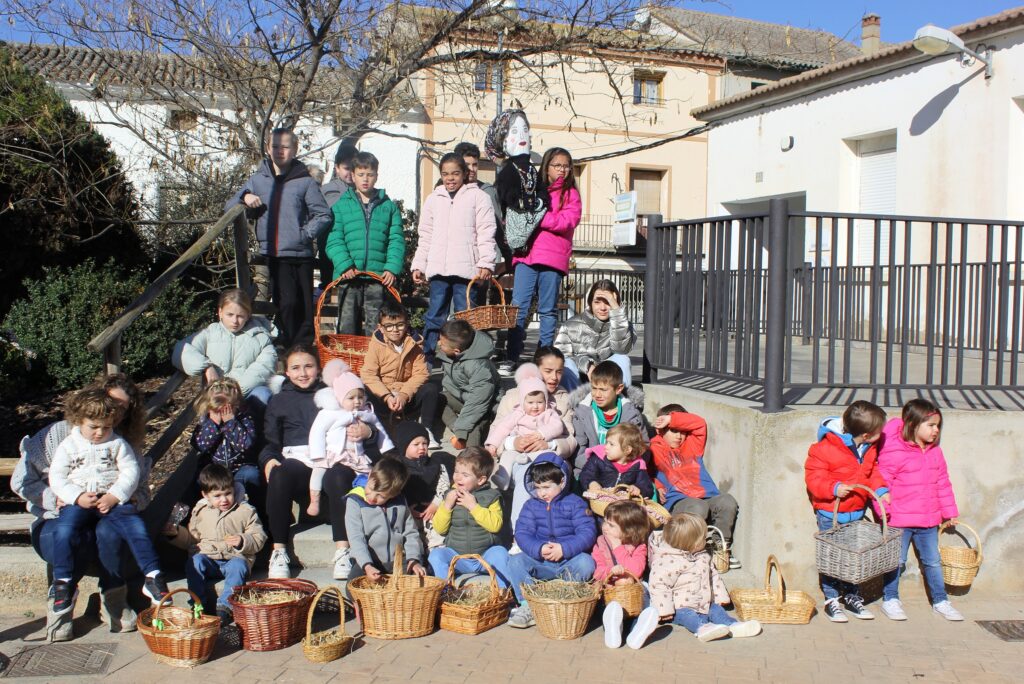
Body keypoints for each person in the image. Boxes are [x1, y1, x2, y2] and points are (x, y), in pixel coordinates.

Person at [13, 373, 147, 640]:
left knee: (111, 534)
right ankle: (61, 608)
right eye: (111, 403)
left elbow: (141, 490)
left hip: (106, 513)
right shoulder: (56, 436)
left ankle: (113, 599)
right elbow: (22, 481)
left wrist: (127, 497)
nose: (115, 413)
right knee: (64, 536)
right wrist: (56, 497)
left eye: (123, 408)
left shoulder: (122, 443)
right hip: (61, 514)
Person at [47, 388, 170, 618]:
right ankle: (63, 582)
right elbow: (57, 477)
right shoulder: (68, 445)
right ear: (79, 421)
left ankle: (153, 576)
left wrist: (115, 495)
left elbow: (130, 472)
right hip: (80, 500)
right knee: (64, 531)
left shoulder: (117, 444)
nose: (100, 432)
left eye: (106, 427)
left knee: (136, 529)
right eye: (93, 427)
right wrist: (76, 496)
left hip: (111, 499)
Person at [260, 344, 376, 580]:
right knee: (280, 474)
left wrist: (368, 432)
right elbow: (270, 440)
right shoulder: (280, 400)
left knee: (339, 476)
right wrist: (269, 459)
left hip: (336, 455)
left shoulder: (335, 392)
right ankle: (279, 550)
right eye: (296, 368)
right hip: (299, 457)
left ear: (318, 368)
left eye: (308, 366)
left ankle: (343, 550)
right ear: (287, 372)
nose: (303, 373)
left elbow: (365, 415)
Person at [226, 128, 332, 347]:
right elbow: (229, 206)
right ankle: (287, 344)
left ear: (294, 150)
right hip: (273, 254)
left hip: (301, 253)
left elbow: (323, 214)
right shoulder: (258, 180)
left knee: (302, 303)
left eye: (285, 146)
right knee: (285, 301)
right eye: (275, 146)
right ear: (267, 148)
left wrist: (304, 234)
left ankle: (302, 348)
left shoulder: (304, 181)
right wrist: (245, 197)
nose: (279, 151)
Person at [878, 399, 963, 622]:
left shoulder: (936, 452)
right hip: (899, 520)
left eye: (938, 426)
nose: (936, 431)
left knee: (933, 561)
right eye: (931, 425)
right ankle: (890, 599)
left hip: (928, 521)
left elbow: (943, 482)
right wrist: (884, 513)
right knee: (895, 561)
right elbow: (882, 483)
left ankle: (940, 600)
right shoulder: (894, 449)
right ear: (913, 424)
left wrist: (949, 511)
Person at [804, 400, 888, 623]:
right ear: (867, 435)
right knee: (832, 556)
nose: (883, 434)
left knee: (853, 557)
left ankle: (852, 596)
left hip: (857, 513)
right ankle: (831, 599)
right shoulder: (823, 448)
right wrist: (834, 488)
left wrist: (880, 491)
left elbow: (872, 472)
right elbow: (814, 478)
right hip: (831, 513)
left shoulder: (869, 448)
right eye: (880, 431)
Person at [501, 147, 581, 376]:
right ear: (546, 166)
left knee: (547, 311)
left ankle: (543, 358)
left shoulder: (571, 194)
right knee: (519, 307)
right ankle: (511, 356)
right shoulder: (533, 188)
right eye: (557, 165)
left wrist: (540, 216)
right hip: (527, 255)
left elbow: (568, 221)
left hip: (553, 258)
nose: (562, 170)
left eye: (566, 166)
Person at [411, 152, 497, 362]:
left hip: (467, 271)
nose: (450, 178)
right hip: (439, 269)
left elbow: (486, 231)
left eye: (455, 173)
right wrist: (419, 265)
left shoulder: (479, 197)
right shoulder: (433, 199)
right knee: (434, 315)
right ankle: (427, 357)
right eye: (445, 174)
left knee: (466, 316)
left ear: (465, 174)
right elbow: (426, 235)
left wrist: (486, 261)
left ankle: (468, 359)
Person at [165, 464, 267, 625]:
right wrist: (176, 534)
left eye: (228, 493)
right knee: (195, 562)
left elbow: (259, 536)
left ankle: (225, 608)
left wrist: (242, 540)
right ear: (206, 495)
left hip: (235, 557)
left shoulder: (245, 510)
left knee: (238, 567)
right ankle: (198, 604)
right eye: (217, 496)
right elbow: (193, 538)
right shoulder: (201, 511)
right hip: (209, 558)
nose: (224, 500)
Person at [505, 453, 597, 629]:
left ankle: (566, 596)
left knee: (586, 563)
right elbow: (523, 533)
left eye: (547, 487)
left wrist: (564, 548)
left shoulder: (575, 503)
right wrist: (538, 549)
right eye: (538, 487)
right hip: (541, 562)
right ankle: (528, 606)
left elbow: (587, 532)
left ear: (562, 482)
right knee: (515, 562)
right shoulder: (531, 506)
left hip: (568, 562)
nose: (541, 492)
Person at [493, 348, 577, 531]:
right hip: (517, 457)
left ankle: (523, 531)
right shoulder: (513, 397)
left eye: (559, 371)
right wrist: (512, 442)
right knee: (525, 470)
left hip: (551, 458)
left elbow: (570, 439)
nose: (554, 377)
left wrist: (550, 443)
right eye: (548, 371)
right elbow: (497, 431)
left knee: (534, 471)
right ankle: (521, 531)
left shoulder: (563, 399)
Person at [649, 403, 740, 569]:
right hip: (679, 501)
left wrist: (672, 419)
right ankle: (692, 552)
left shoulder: (692, 445)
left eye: (683, 431)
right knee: (698, 506)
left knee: (727, 501)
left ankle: (720, 548)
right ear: (660, 430)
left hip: (706, 495)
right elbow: (646, 471)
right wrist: (656, 485)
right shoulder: (654, 449)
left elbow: (699, 424)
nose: (679, 436)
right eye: (673, 430)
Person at [324, 151, 405, 336]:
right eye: (361, 175)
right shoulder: (341, 206)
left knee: (375, 327)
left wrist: (392, 267)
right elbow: (334, 239)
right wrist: (344, 265)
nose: (365, 179)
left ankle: (373, 363)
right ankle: (347, 362)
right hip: (349, 277)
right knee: (346, 325)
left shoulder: (388, 207)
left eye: (370, 174)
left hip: (377, 277)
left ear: (376, 175)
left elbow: (396, 239)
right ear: (353, 176)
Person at [648, 512, 761, 642]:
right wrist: (664, 610)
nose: (705, 541)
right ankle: (701, 628)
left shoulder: (703, 556)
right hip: (680, 607)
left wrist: (720, 597)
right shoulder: (667, 561)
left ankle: (732, 625)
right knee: (688, 616)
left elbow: (713, 577)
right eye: (703, 538)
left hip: (705, 603)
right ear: (694, 544)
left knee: (717, 610)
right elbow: (659, 585)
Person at [307, 360, 393, 522]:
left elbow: (379, 429)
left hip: (356, 455)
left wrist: (386, 447)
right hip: (333, 453)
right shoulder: (330, 413)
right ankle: (315, 500)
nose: (357, 401)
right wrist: (318, 454)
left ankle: (369, 502)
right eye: (351, 397)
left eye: (360, 397)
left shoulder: (366, 412)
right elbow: (316, 432)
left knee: (367, 478)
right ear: (339, 398)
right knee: (317, 472)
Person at [172, 288, 277, 406]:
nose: (235, 321)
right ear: (220, 312)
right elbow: (180, 350)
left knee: (263, 394)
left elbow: (264, 367)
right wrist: (207, 367)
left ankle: (255, 424)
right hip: (216, 396)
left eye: (240, 316)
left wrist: (236, 391)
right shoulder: (210, 333)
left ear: (248, 315)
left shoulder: (260, 337)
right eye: (230, 315)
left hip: (245, 395)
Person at [427, 447, 511, 586]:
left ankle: (504, 594)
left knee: (500, 553)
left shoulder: (492, 497)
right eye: (456, 471)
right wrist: (447, 505)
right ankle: (445, 593)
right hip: (458, 558)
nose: (458, 477)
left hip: (485, 556)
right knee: (436, 555)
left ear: (480, 480)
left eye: (465, 475)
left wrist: (473, 506)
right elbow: (440, 529)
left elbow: (495, 525)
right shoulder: (450, 495)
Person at [360, 300, 440, 445]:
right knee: (365, 389)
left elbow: (421, 374)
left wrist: (404, 394)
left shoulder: (415, 344)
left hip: (407, 396)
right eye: (389, 326)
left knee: (431, 388)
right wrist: (386, 396)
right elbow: (369, 374)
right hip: (385, 396)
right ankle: (379, 426)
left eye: (400, 325)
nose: (395, 330)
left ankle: (426, 429)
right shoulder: (376, 345)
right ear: (381, 327)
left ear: (407, 324)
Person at [486, 363, 567, 491]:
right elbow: (502, 428)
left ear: (546, 401)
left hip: (539, 448)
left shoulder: (549, 413)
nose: (535, 406)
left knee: (547, 456)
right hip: (519, 448)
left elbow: (557, 426)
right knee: (507, 457)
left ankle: (531, 469)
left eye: (540, 402)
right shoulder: (517, 413)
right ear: (523, 402)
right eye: (530, 402)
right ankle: (503, 478)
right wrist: (493, 444)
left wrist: (542, 433)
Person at [344, 458, 426, 581]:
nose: (372, 497)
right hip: (370, 561)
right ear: (370, 474)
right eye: (371, 489)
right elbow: (356, 537)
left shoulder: (400, 502)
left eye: (381, 496)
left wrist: (413, 559)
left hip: (398, 560)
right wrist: (367, 565)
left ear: (393, 494)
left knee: (421, 578)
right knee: (352, 585)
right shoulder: (355, 501)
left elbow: (411, 533)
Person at [593, 500, 659, 650]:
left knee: (641, 604)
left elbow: (636, 569)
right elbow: (597, 569)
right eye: (605, 522)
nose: (605, 528)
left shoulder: (638, 546)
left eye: (611, 525)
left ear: (628, 530)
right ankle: (612, 629)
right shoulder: (601, 543)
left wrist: (618, 547)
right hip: (610, 591)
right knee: (610, 611)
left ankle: (638, 631)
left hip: (633, 595)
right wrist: (609, 574)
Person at [188, 378, 260, 506]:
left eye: (227, 408)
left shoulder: (245, 418)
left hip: (240, 467)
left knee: (252, 475)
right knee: (198, 481)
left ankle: (258, 512)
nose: (222, 413)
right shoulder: (206, 422)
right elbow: (200, 445)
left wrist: (231, 423)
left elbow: (245, 445)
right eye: (217, 410)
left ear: (235, 405)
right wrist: (213, 424)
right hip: (215, 470)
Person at [555, 279, 636, 390]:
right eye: (597, 302)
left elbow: (621, 349)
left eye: (607, 302)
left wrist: (616, 311)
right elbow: (560, 358)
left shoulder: (624, 325)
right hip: (579, 379)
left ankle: (621, 403)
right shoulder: (570, 325)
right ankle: (572, 404)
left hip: (608, 378)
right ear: (590, 303)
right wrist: (587, 365)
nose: (602, 308)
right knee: (567, 363)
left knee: (622, 359)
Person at [571, 360, 646, 476]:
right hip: (590, 470)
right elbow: (578, 451)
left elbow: (643, 447)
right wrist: (598, 466)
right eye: (594, 388)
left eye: (603, 390)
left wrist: (620, 466)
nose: (597, 394)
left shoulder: (631, 415)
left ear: (619, 389)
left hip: (623, 471)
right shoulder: (582, 412)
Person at [437, 319, 499, 449]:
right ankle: (460, 433)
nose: (438, 344)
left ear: (457, 351)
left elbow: (478, 402)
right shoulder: (448, 354)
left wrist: (462, 428)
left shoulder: (478, 366)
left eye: (442, 344)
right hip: (462, 397)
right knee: (437, 400)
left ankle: (473, 457)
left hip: (485, 405)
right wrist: (459, 428)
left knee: (474, 425)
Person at [394, 421, 453, 549]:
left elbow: (444, 486)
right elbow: (395, 491)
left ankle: (436, 554)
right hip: (409, 513)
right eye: (416, 444)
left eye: (425, 443)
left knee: (437, 537)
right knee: (412, 538)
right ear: (404, 447)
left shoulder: (435, 464)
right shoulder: (398, 468)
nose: (422, 447)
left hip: (432, 510)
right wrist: (407, 508)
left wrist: (435, 504)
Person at [318, 141, 357, 288]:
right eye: (346, 168)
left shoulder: (361, 192)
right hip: (331, 247)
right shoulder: (329, 190)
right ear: (337, 168)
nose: (350, 173)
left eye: (353, 168)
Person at [579, 423, 653, 499]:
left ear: (627, 449)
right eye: (606, 442)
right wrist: (591, 483)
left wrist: (638, 489)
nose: (606, 447)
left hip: (621, 505)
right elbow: (585, 474)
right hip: (597, 500)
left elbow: (648, 488)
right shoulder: (598, 458)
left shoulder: (638, 466)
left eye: (611, 444)